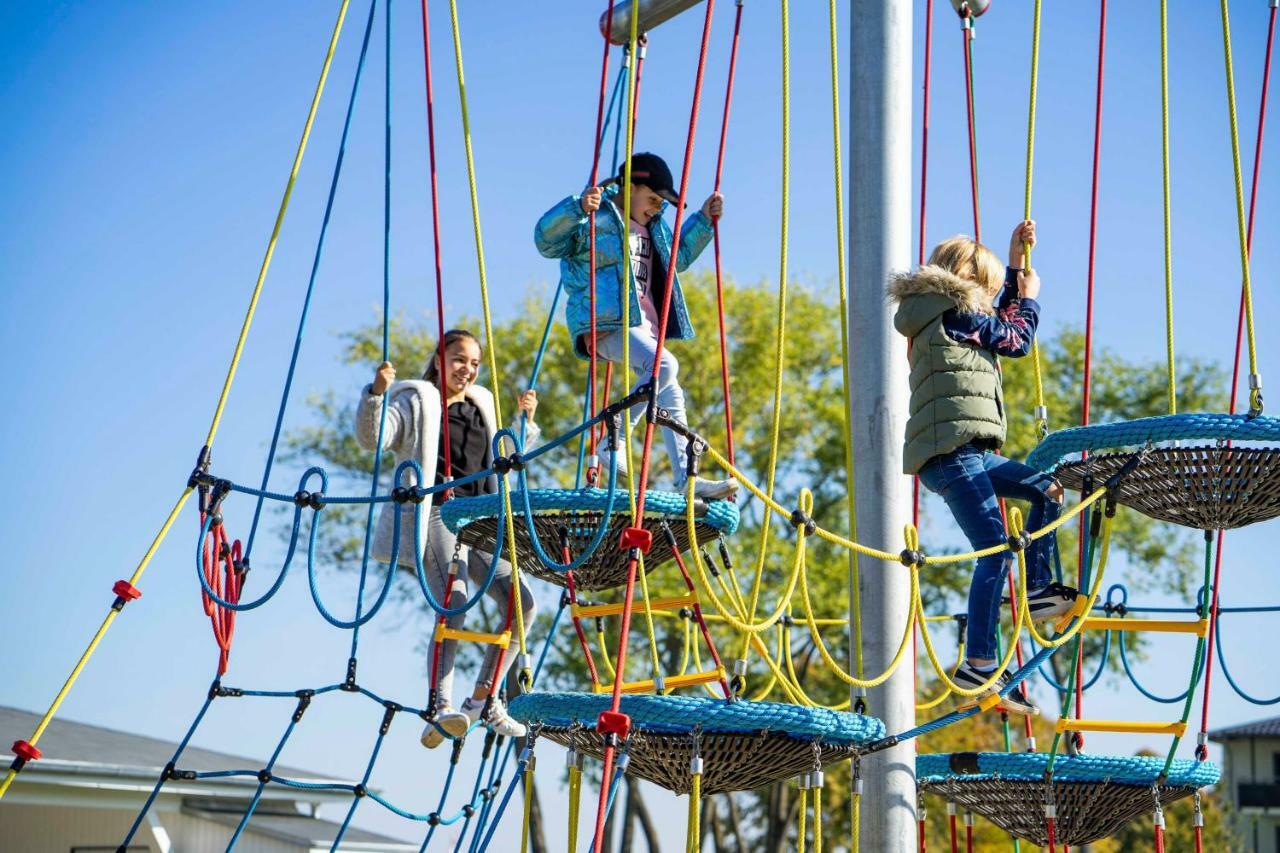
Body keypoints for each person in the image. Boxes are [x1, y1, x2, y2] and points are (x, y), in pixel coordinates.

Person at [888, 221, 1077, 716]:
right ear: (967, 280)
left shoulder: (945, 315)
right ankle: (978, 660)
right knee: (994, 552)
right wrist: (1030, 298)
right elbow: (1016, 340)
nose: (995, 298)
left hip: (966, 451)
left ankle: (1037, 591)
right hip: (952, 453)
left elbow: (997, 325)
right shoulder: (953, 314)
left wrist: (1017, 266)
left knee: (1047, 491)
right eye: (991, 289)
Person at [355, 329, 539, 747]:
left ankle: (484, 699)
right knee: (453, 602)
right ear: (440, 359)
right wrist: (376, 395)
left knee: (523, 605)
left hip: (480, 519)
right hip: (438, 513)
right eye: (459, 360)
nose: (467, 370)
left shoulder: (481, 405)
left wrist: (523, 425)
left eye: (474, 363)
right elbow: (375, 438)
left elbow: (504, 460)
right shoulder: (417, 401)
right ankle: (440, 706)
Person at [534, 151, 737, 500]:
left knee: (671, 391)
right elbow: (545, 241)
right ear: (630, 188)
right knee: (664, 365)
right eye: (654, 199)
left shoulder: (653, 228)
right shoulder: (595, 219)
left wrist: (703, 220)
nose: (658, 208)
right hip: (604, 322)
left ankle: (685, 478)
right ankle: (614, 440)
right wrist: (577, 208)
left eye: (662, 203)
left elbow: (680, 258)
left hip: (645, 326)